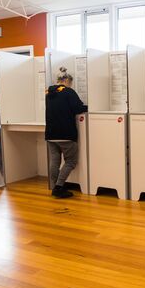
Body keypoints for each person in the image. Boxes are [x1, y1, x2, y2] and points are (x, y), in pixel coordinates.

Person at [45, 67, 88, 198]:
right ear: (67, 80)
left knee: (54, 161)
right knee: (70, 161)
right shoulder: (69, 92)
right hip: (66, 134)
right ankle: (59, 188)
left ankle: (54, 186)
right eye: (70, 82)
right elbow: (78, 108)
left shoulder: (49, 93)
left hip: (51, 134)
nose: (71, 84)